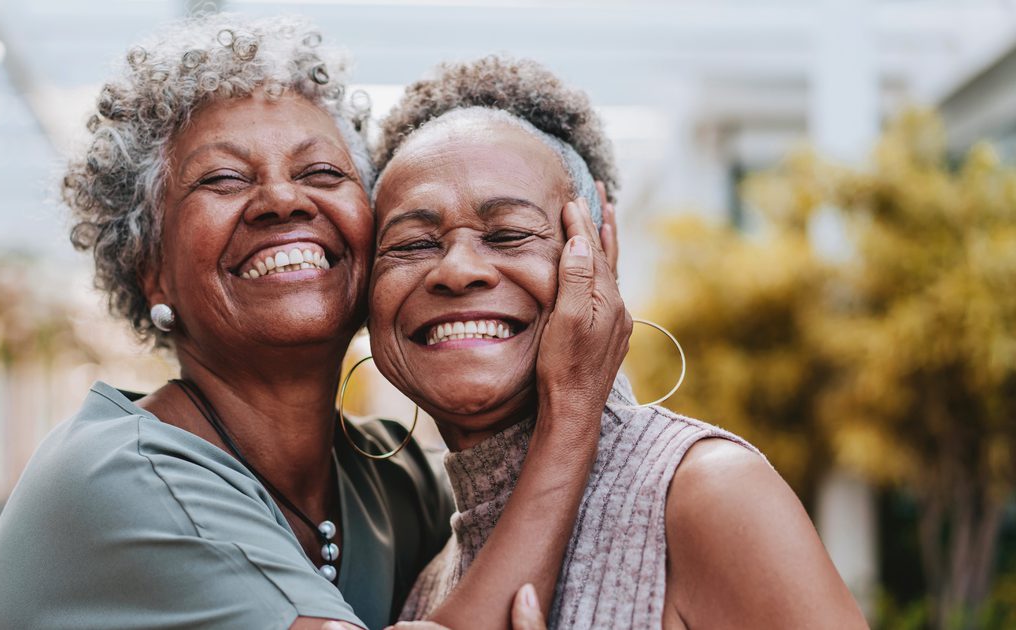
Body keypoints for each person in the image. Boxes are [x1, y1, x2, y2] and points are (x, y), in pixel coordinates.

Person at [0, 15, 628, 630]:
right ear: (148, 267)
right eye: (222, 180)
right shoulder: (125, 475)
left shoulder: (391, 480)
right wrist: (574, 412)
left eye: (323, 172)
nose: (281, 198)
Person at [366, 56, 870, 629]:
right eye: (411, 244)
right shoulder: (430, 580)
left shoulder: (708, 494)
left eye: (508, 234)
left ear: (599, 251)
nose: (457, 270)